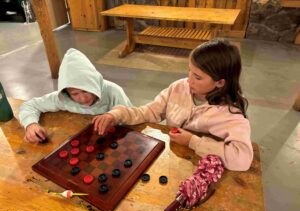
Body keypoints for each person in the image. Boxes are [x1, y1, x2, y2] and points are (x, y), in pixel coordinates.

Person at [92, 39, 253, 171]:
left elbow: (242, 159)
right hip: (174, 162)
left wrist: (193, 141)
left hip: (202, 172)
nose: (189, 80)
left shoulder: (230, 114)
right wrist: (116, 115)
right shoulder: (179, 87)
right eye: (189, 71)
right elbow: (149, 111)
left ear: (220, 82)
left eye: (197, 77)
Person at [19, 48, 132, 143]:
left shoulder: (114, 92)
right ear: (66, 92)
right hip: (83, 140)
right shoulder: (62, 98)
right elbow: (29, 105)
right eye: (75, 94)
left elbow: (131, 116)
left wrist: (113, 116)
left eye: (86, 91)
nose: (82, 99)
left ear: (94, 83)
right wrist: (30, 124)